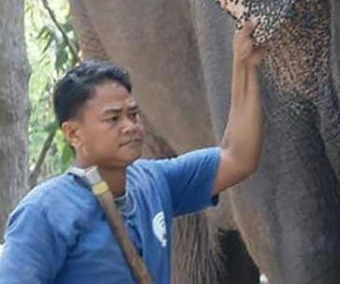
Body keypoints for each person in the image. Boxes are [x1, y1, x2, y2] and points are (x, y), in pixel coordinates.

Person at [0, 20, 266, 283]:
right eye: (113, 118)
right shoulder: (45, 211)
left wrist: (244, 65)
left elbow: (237, 158)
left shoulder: (154, 181)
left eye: (133, 114)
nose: (130, 126)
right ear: (73, 133)